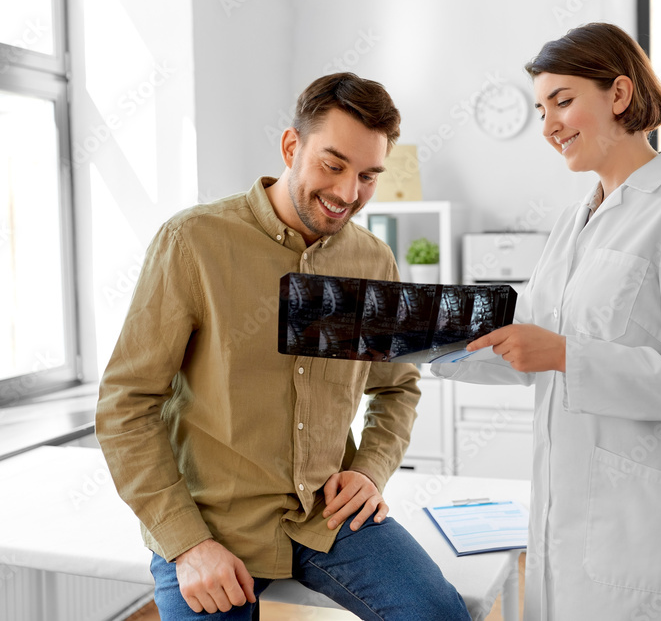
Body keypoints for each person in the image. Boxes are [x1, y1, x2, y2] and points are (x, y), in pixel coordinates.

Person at [97, 72, 470, 620]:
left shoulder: (372, 262)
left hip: (326, 515)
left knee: (440, 614)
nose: (348, 193)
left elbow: (397, 388)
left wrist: (370, 469)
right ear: (292, 146)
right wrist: (187, 544)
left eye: (368, 176)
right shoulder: (192, 242)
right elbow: (125, 405)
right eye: (333, 164)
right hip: (209, 521)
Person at [433, 23, 661, 620]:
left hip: (645, 524)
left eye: (563, 101)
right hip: (563, 511)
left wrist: (565, 355)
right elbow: (524, 345)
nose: (548, 125)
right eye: (540, 108)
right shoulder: (573, 221)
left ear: (620, 95)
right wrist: (418, 348)